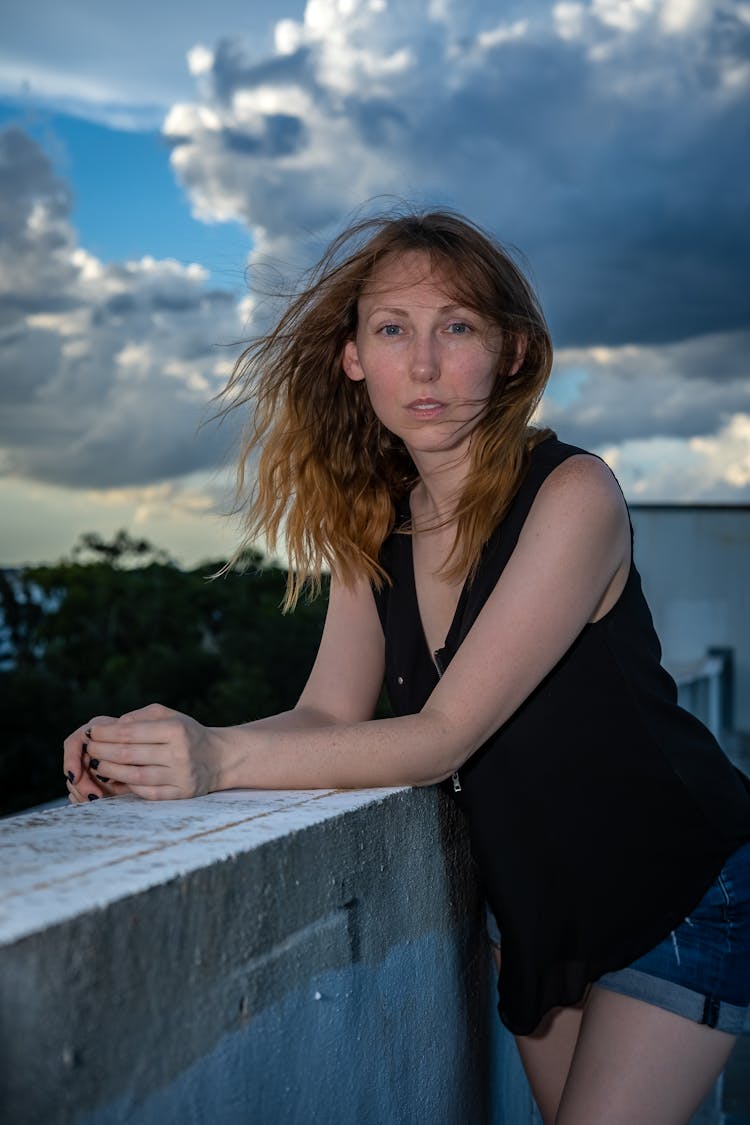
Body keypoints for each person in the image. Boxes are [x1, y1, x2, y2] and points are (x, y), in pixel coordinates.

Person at [64, 209, 750, 1124]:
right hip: (542, 909)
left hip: (680, 887)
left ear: (511, 354)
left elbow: (440, 738)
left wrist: (218, 763)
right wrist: (162, 747)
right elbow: (329, 716)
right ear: (353, 356)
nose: (423, 365)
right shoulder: (375, 520)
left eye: (456, 327)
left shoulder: (573, 493)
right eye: (393, 330)